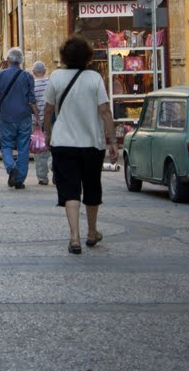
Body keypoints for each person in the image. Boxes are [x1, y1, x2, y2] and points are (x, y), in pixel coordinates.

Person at [42, 36, 119, 255]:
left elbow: (48, 110)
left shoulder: (56, 77)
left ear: (64, 57)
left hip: (63, 143)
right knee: (92, 187)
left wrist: (47, 133)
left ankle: (74, 237)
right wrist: (113, 141)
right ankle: (92, 232)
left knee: (70, 189)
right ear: (87, 57)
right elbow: (105, 111)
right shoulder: (94, 78)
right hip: (91, 144)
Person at [0, 47, 38, 189]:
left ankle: (11, 168)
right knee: (23, 148)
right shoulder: (28, 77)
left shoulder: (0, 75)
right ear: (20, 61)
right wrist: (38, 118)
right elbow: (32, 100)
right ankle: (19, 179)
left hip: (7, 117)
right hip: (24, 117)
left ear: (8, 60)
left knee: (7, 145)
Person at [31, 61, 52, 186]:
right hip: (52, 121)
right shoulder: (51, 84)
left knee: (39, 151)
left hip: (37, 122)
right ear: (45, 71)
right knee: (54, 147)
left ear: (33, 72)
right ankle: (55, 167)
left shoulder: (31, 86)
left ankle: (42, 177)